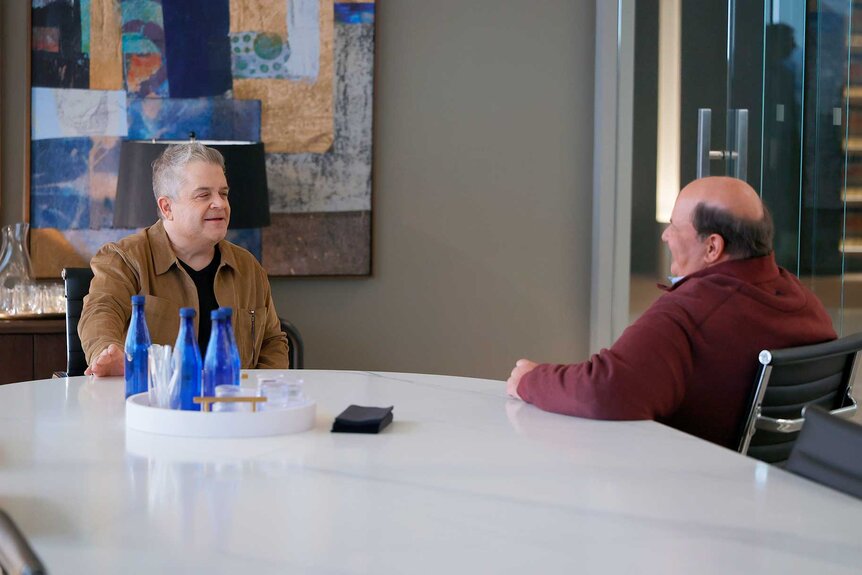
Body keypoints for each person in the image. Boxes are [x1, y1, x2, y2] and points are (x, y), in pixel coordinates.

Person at [506, 176, 836, 448]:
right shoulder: (806, 303)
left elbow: (605, 390)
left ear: (712, 247)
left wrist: (530, 380)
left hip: (693, 488)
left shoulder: (693, 311)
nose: (665, 236)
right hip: (776, 486)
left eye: (675, 227)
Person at [80, 142, 289, 376]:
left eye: (223, 193)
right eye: (203, 195)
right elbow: (100, 313)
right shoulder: (123, 259)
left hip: (232, 406)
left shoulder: (248, 266)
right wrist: (108, 354)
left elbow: (272, 343)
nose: (220, 203)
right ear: (167, 207)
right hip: (153, 405)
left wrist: (261, 396)